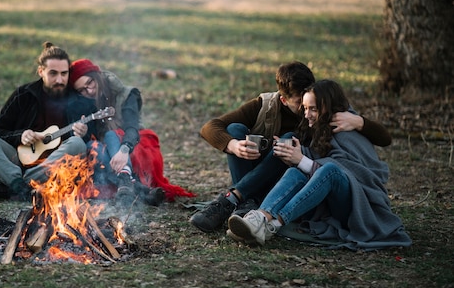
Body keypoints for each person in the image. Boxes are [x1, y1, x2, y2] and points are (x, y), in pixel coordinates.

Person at [190, 61, 392, 233]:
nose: (307, 109)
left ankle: (233, 200)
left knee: (288, 139)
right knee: (235, 129)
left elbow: (383, 139)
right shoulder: (267, 104)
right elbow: (210, 127)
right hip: (267, 175)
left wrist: (359, 122)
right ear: (284, 100)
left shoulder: (326, 109)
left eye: (311, 103)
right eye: (301, 104)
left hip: (296, 181)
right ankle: (244, 202)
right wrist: (233, 145)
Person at [227, 79, 411, 249]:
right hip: (327, 204)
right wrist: (295, 155)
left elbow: (351, 172)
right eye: (305, 108)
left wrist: (302, 160)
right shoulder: (318, 130)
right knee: (295, 173)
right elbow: (316, 161)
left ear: (328, 107)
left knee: (329, 170)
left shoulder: (348, 130)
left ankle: (273, 226)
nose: (307, 115)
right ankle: (259, 218)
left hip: (358, 204)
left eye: (313, 109)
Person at [0, 42, 98, 201]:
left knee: (77, 143)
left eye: (64, 74)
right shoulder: (24, 95)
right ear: (41, 71)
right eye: (53, 73)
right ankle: (18, 184)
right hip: (19, 161)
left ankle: (18, 188)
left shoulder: (78, 101)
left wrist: (84, 134)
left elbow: (91, 145)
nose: (59, 79)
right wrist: (21, 135)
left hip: (53, 169)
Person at [69, 58, 194, 205]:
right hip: (109, 159)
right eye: (82, 90)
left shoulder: (127, 94)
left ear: (97, 76)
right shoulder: (86, 102)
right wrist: (82, 132)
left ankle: (128, 182)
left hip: (135, 148)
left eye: (90, 83)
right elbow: (91, 139)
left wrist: (124, 149)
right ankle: (137, 189)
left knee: (111, 134)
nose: (89, 91)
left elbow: (132, 128)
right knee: (92, 146)